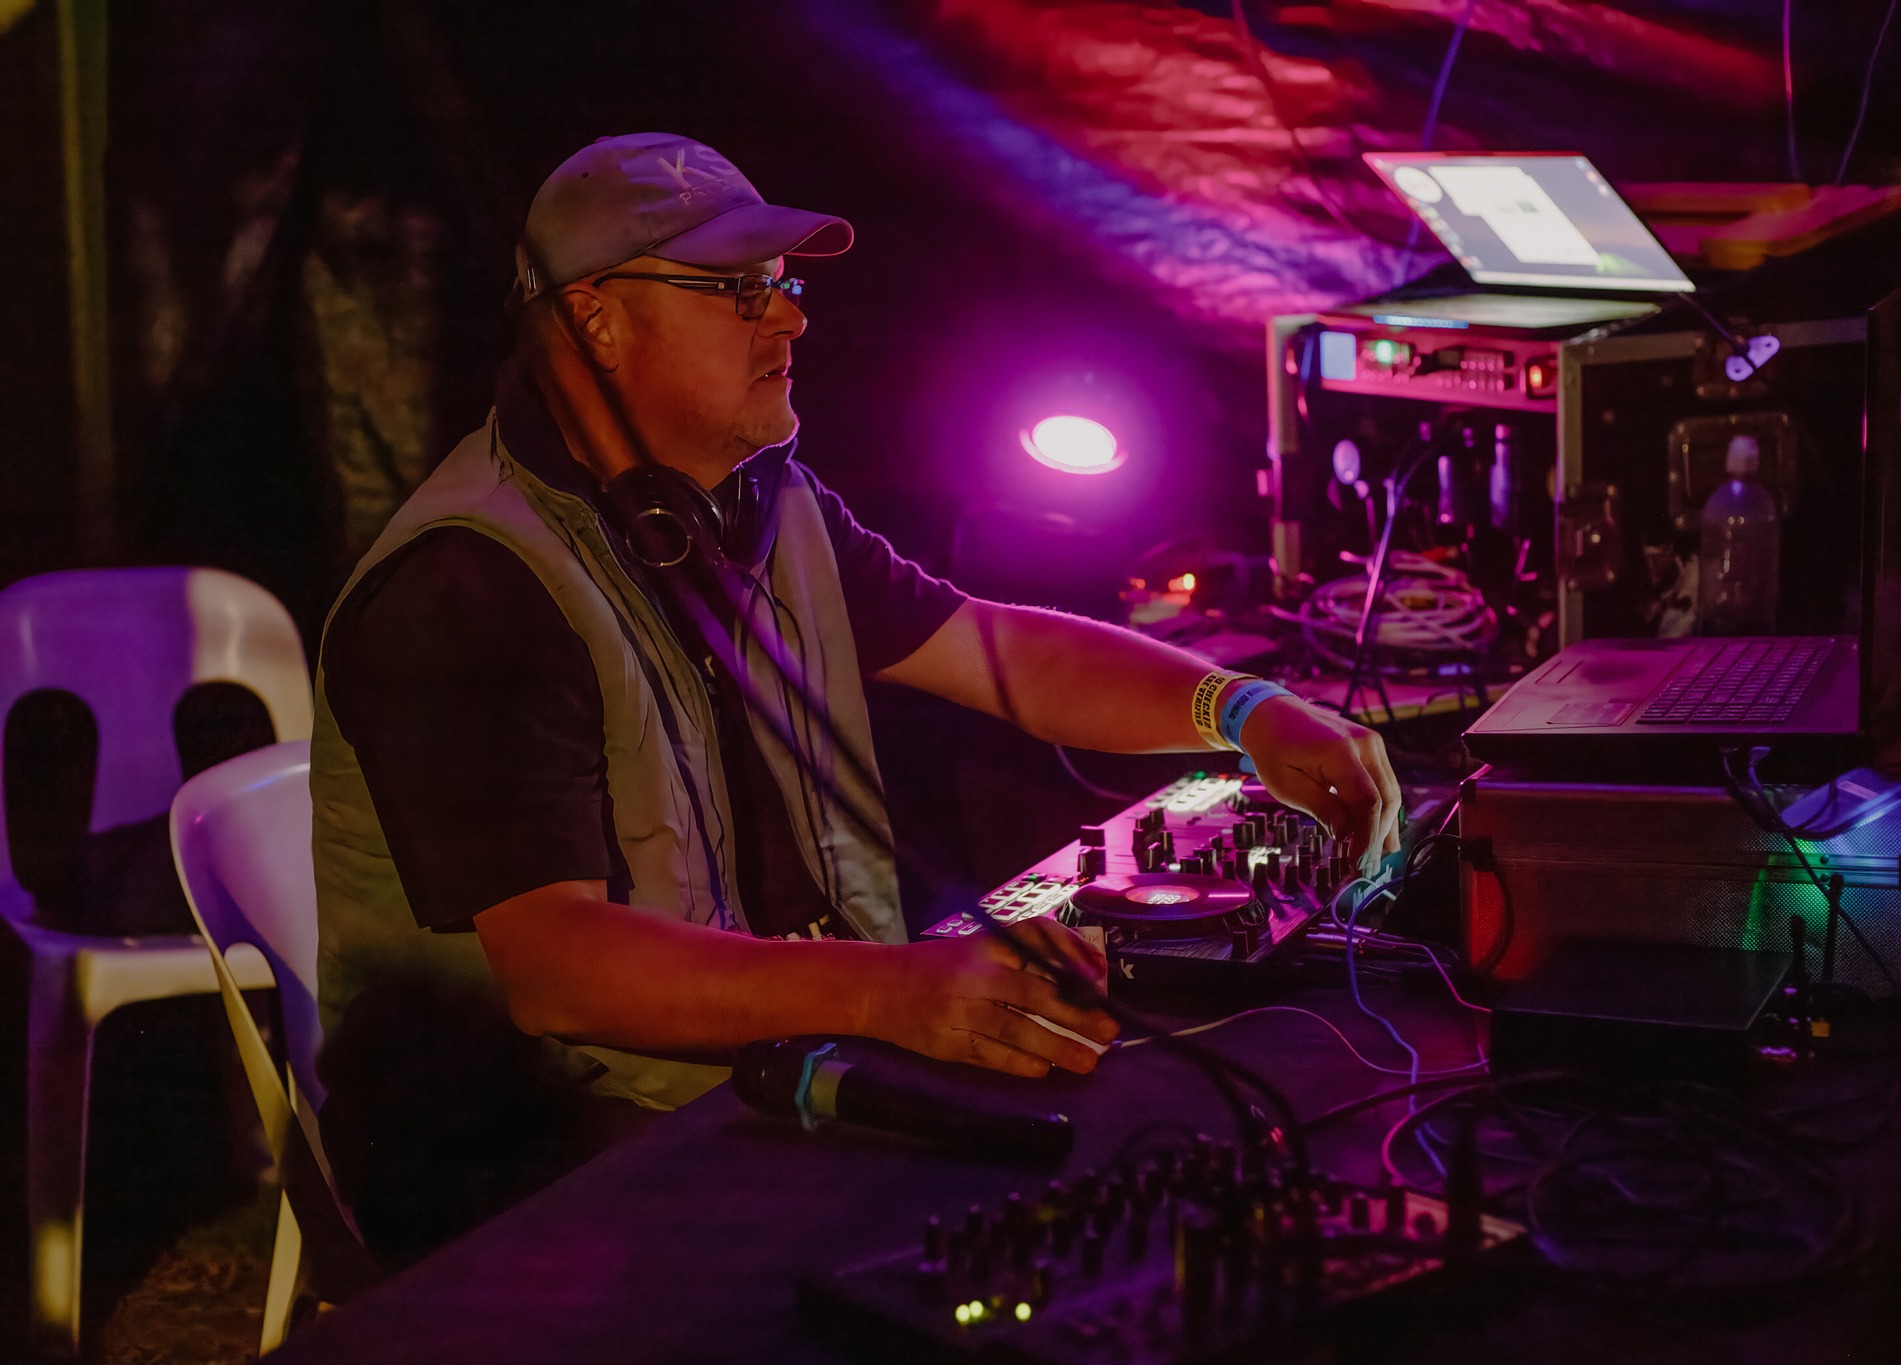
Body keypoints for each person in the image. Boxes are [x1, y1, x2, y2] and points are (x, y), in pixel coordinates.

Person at [310, 132, 1401, 1262]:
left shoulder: (753, 504)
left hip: (751, 1062)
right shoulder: (468, 586)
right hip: (519, 1151)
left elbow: (995, 651)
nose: (789, 318)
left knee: (1160, 1137)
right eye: (736, 291)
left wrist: (1242, 711)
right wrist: (888, 995)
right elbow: (558, 971)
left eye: (781, 285)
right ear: (595, 322)